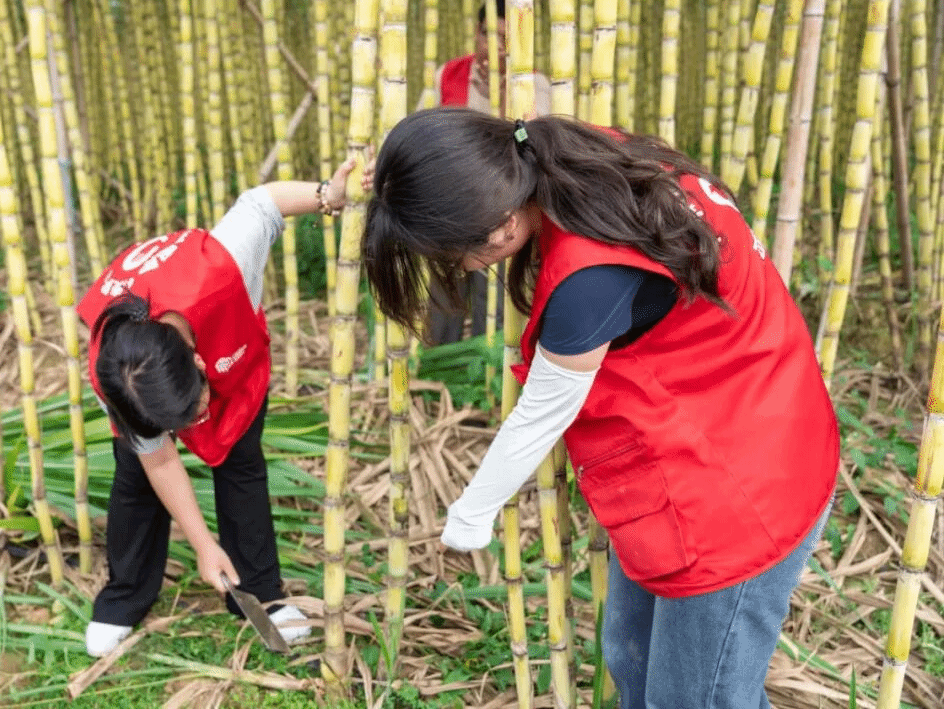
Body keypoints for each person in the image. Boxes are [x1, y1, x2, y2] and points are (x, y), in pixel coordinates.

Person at [361, 107, 839, 708]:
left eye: (451, 254)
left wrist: (471, 514)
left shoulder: (590, 279)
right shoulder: (568, 154)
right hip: (743, 410)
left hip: (742, 482)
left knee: (697, 698)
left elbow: (542, 413)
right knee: (631, 660)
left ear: (503, 226)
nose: (458, 269)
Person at [77, 158, 356, 657]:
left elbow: (262, 202)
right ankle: (124, 597)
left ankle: (260, 594)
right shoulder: (115, 374)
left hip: (235, 348)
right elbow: (161, 461)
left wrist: (328, 195)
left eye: (196, 405)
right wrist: (204, 546)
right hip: (156, 361)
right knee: (135, 476)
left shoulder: (224, 263)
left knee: (241, 463)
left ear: (199, 361)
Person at [428, 0, 552, 345]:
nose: (495, 46)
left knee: (496, 301)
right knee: (443, 294)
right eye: (488, 34)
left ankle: (489, 365)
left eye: (506, 38)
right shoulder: (448, 75)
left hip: (504, 210)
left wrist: (505, 99)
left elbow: (537, 151)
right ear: (476, 33)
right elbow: (428, 135)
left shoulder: (535, 84)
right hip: (450, 208)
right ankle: (440, 364)